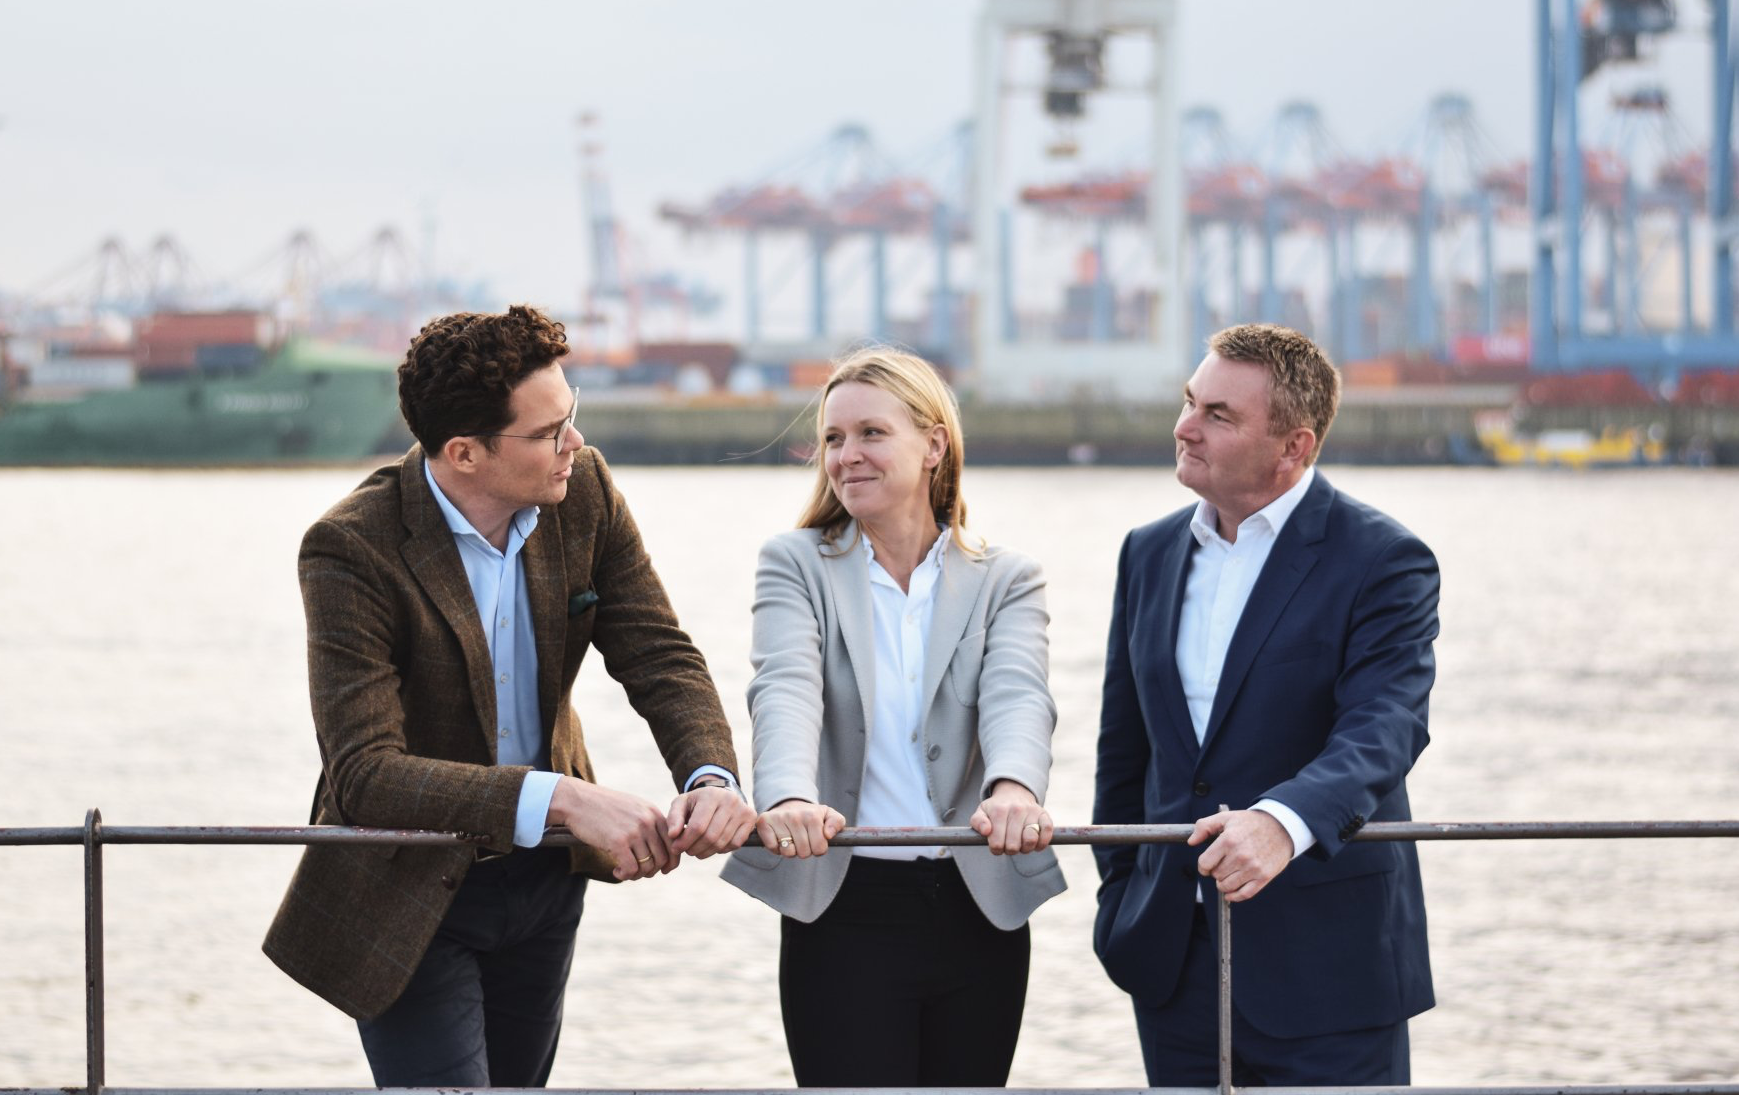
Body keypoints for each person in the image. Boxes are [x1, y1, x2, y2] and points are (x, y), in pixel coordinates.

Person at [263, 305, 756, 1087]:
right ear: (464, 452)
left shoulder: (584, 490)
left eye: (571, 415)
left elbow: (657, 652)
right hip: (409, 883)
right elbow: (365, 774)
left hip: (547, 878)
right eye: (548, 431)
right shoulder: (351, 546)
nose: (575, 442)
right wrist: (565, 797)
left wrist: (711, 776)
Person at [1093, 323, 1438, 1086]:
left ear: (1293, 446)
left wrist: (1282, 823)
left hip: (1329, 965)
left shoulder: (1382, 559)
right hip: (1170, 962)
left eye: (1217, 414)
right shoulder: (1146, 553)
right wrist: (1119, 894)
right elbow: (1123, 748)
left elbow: (1384, 727)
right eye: (1189, 401)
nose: (1184, 426)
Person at [721, 346, 1066, 1087]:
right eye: (833, 438)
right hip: (843, 904)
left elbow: (1018, 694)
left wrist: (1014, 789)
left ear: (933, 444)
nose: (845, 455)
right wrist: (786, 797)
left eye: (871, 433)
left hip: (978, 904)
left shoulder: (1007, 578)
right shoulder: (794, 563)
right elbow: (783, 688)